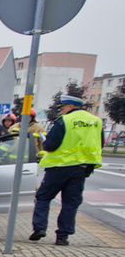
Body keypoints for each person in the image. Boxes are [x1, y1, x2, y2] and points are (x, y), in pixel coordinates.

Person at [29, 94, 103, 246]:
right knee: (70, 203)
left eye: (62, 108)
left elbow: (51, 145)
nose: (61, 112)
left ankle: (40, 228)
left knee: (43, 197)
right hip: (81, 169)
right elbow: (100, 143)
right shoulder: (96, 121)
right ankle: (63, 237)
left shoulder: (65, 121)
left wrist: (45, 140)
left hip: (58, 168)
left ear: (70, 107)